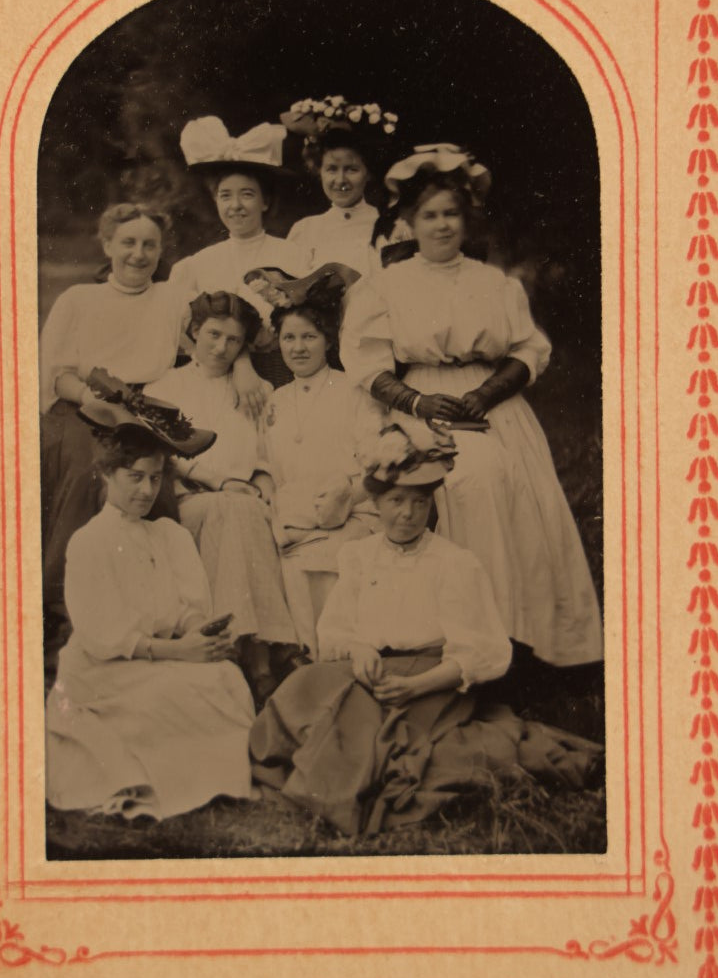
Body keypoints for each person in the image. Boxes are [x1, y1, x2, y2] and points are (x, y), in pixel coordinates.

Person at [250, 424, 602, 837]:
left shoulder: (454, 562)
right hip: (372, 668)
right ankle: (318, 765)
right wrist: (358, 647)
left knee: (375, 731)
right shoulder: (358, 556)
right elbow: (336, 627)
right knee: (302, 686)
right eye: (396, 501)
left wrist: (417, 687)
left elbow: (481, 652)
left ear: (432, 505)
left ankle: (333, 791)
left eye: (419, 502)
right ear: (377, 504)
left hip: (433, 679)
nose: (407, 513)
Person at [340, 152, 604, 668]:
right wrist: (416, 402)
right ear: (410, 222)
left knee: (515, 492)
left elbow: (530, 348)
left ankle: (520, 636)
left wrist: (485, 394)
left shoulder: (495, 284)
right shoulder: (385, 286)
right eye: (431, 215)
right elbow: (364, 360)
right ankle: (456, 639)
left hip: (493, 405)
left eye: (451, 214)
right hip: (420, 401)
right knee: (466, 482)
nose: (442, 225)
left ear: (466, 220)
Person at [45, 412, 256, 820]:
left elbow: (190, 610)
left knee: (225, 678)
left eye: (156, 479)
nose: (146, 490)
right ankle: (171, 784)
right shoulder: (90, 542)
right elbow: (102, 637)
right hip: (104, 669)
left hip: (164, 655)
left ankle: (213, 782)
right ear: (108, 475)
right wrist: (182, 653)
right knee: (172, 696)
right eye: (135, 477)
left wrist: (202, 635)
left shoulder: (169, 536)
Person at [39, 201, 187, 638]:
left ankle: (149, 611)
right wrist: (95, 401)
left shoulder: (173, 300)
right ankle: (61, 609)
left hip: (149, 411)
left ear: (161, 252)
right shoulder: (79, 299)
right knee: (95, 473)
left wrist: (242, 367)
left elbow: (220, 337)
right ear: (107, 245)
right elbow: (57, 374)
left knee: (152, 487)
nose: (138, 255)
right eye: (127, 243)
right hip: (84, 406)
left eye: (149, 245)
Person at [151, 291, 300, 702]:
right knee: (228, 508)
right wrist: (218, 482)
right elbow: (167, 452)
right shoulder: (167, 385)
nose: (221, 347)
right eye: (213, 335)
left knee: (242, 510)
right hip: (190, 496)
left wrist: (265, 488)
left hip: (245, 498)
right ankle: (261, 659)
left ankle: (243, 652)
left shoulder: (257, 391)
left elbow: (266, 454)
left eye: (233, 341)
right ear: (195, 332)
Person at [255, 272, 386, 658]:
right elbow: (265, 466)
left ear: (328, 340)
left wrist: (344, 498)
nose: (298, 348)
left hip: (350, 514)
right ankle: (300, 660)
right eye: (289, 338)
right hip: (292, 521)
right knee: (283, 559)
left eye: (309, 337)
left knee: (329, 557)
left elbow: (376, 464)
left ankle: (333, 658)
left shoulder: (354, 391)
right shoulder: (274, 399)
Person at [172, 117, 307, 384]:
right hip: (214, 379)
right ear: (215, 201)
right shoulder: (197, 265)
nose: (236, 205)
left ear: (265, 201)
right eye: (225, 196)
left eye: (247, 194)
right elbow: (183, 335)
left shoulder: (293, 255)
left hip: (278, 376)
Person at [281, 96, 398, 276]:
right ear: (319, 171)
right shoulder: (305, 230)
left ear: (368, 173)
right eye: (332, 169)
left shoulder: (388, 226)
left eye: (352, 169)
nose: (340, 180)